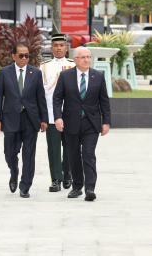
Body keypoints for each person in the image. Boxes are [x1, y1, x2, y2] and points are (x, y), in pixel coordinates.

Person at [53, 46, 111, 201]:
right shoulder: (65, 76)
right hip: (71, 122)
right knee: (73, 156)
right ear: (76, 60)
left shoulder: (98, 76)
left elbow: (104, 102)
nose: (87, 60)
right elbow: (57, 98)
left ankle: (90, 188)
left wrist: (106, 122)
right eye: (83, 57)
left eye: (88, 57)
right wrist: (57, 117)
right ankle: (77, 187)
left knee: (88, 154)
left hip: (91, 123)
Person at [0, 43, 48, 198]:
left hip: (30, 119)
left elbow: (40, 98)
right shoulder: (4, 73)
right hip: (10, 118)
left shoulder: (36, 73)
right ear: (13, 56)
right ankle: (14, 172)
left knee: (29, 154)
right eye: (21, 55)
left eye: (27, 55)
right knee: (10, 153)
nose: (24, 58)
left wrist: (43, 119)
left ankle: (25, 186)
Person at [39, 34, 75, 192]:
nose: (59, 48)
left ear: (66, 48)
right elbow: (41, 91)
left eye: (62, 45)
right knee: (53, 147)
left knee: (70, 146)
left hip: (70, 113)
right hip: (51, 114)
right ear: (51, 48)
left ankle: (67, 174)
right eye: (56, 45)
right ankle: (56, 179)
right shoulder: (44, 66)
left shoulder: (73, 64)